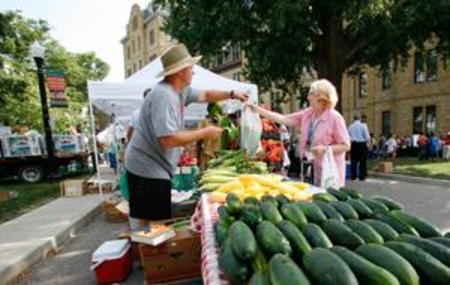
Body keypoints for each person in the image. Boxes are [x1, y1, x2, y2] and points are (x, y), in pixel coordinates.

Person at [125, 44, 248, 227]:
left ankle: (147, 250)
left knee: (152, 222)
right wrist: (204, 133)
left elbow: (206, 94)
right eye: (191, 68)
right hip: (147, 166)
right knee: (153, 226)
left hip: (153, 165)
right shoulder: (164, 95)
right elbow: (168, 139)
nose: (194, 72)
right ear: (180, 72)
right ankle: (148, 252)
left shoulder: (179, 91)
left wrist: (231, 93)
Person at [246, 79, 350, 187]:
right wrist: (257, 109)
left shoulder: (335, 117)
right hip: (311, 168)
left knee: (330, 200)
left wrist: (324, 149)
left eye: (311, 93)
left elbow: (346, 145)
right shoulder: (308, 114)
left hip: (331, 172)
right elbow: (283, 118)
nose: (308, 97)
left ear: (321, 97)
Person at [348, 115, 370, 180]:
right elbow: (367, 137)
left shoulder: (350, 126)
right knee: (362, 161)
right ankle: (362, 176)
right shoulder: (363, 125)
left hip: (353, 144)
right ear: (359, 119)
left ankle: (353, 176)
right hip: (361, 144)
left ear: (354, 119)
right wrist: (368, 142)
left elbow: (347, 136)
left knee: (353, 161)